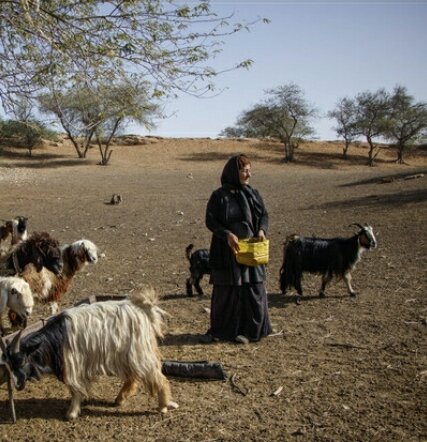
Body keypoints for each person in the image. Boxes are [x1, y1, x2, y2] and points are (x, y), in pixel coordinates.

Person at [203, 154, 272, 344]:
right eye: (244, 171)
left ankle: (252, 331)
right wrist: (226, 234)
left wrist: (261, 230)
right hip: (227, 251)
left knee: (254, 289)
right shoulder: (219, 196)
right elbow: (210, 220)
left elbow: (264, 215)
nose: (248, 174)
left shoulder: (253, 194)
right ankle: (224, 332)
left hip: (251, 250)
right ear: (234, 172)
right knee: (227, 292)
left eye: (250, 170)